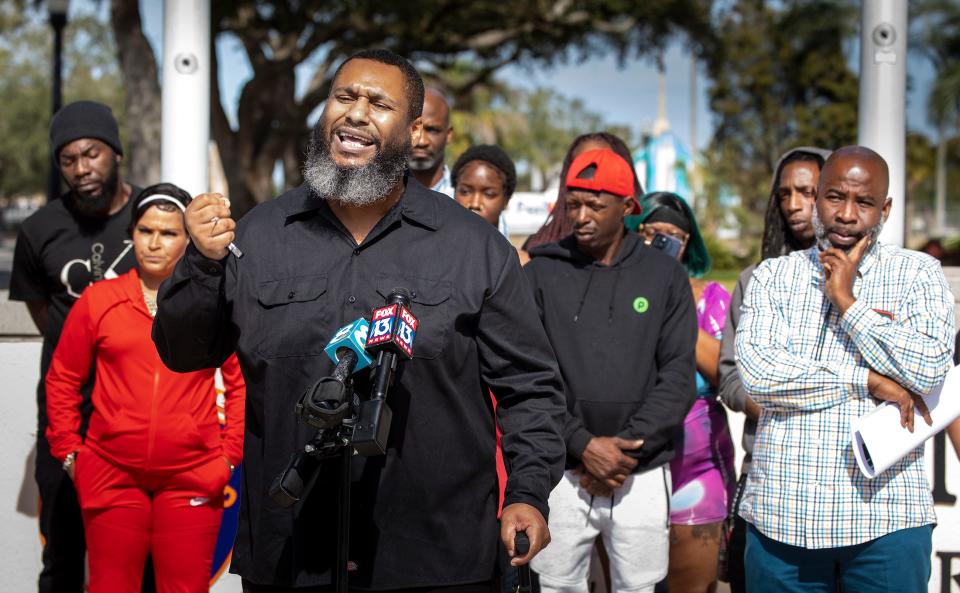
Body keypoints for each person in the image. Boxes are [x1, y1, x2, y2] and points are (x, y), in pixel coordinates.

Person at [151, 49, 566, 592]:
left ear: (414, 130)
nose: (355, 113)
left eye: (379, 103)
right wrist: (201, 265)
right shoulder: (258, 235)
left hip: (436, 559)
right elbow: (183, 351)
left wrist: (528, 494)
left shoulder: (475, 248)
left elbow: (530, 388)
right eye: (344, 97)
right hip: (292, 557)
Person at [736, 146, 955, 592]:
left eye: (865, 202)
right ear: (817, 198)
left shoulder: (919, 274)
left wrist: (848, 303)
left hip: (887, 518)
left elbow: (929, 368)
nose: (847, 214)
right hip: (783, 515)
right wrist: (870, 379)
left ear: (886, 208)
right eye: (835, 197)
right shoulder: (773, 277)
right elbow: (760, 373)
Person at [43, 184, 245, 592]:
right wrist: (70, 455)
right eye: (145, 230)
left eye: (169, 233)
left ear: (188, 238)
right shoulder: (99, 301)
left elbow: (243, 384)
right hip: (110, 475)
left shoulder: (213, 300)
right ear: (131, 233)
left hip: (192, 477)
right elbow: (63, 378)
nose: (154, 243)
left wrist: (226, 459)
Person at [526, 149, 696, 593]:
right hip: (560, 470)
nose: (581, 217)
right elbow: (528, 376)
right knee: (556, 586)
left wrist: (620, 454)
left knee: (639, 588)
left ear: (628, 208)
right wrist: (582, 445)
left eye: (596, 206)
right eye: (573, 204)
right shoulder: (542, 271)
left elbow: (677, 377)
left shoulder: (665, 276)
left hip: (638, 470)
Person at [9, 100, 141, 593]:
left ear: (116, 153)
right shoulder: (39, 229)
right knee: (62, 558)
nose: (82, 169)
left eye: (92, 154)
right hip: (67, 418)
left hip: (137, 414)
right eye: (68, 160)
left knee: (137, 559)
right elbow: (45, 313)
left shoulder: (153, 218)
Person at [716, 147, 830, 593]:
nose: (794, 205)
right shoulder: (755, 279)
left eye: (807, 191)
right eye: (784, 194)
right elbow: (730, 376)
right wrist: (788, 411)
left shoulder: (871, 279)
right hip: (769, 476)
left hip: (846, 484)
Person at [626, 192, 735, 593]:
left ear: (687, 245)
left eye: (672, 236)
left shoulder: (710, 299)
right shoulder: (611, 289)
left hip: (696, 468)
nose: (659, 243)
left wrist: (670, 299)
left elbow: (726, 375)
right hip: (626, 462)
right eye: (650, 233)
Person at [522, 132, 642, 257]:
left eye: (606, 162)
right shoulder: (539, 250)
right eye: (582, 164)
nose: (590, 175)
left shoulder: (645, 243)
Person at [451, 144, 517, 238]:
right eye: (465, 191)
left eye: (489, 194)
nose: (475, 204)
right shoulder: (433, 249)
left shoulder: (512, 252)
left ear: (506, 200)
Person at [408, 87, 455, 196]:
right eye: (413, 129)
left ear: (448, 134)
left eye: (433, 130)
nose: (421, 141)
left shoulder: (464, 199)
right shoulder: (378, 199)